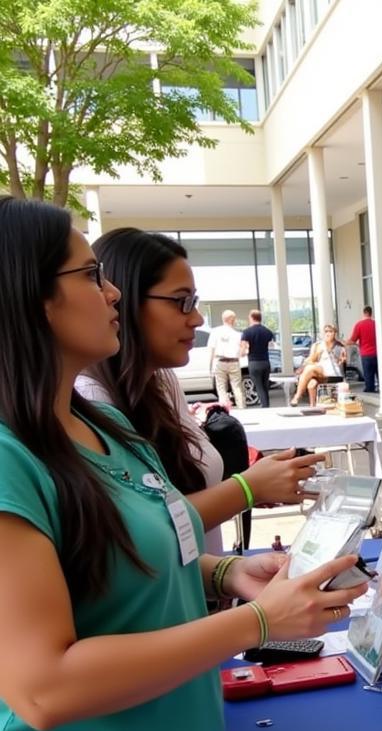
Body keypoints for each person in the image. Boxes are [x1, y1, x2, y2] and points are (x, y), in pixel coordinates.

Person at [0, 196, 367, 731]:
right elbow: (42, 685)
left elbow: (145, 561)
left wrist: (229, 573)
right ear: (28, 294)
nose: (111, 294)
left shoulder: (99, 429)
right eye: (90, 274)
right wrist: (260, 622)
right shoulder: (9, 458)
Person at [78, 228, 324, 557]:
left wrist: (258, 484)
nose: (195, 319)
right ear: (124, 301)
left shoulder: (160, 381)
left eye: (194, 301)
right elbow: (140, 533)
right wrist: (247, 489)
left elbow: (183, 502)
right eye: (182, 302)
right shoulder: (90, 400)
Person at [291, 324, 346, 406]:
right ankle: (313, 407)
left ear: (335, 333)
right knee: (311, 383)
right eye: (326, 332)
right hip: (320, 371)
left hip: (333, 373)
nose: (328, 334)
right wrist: (318, 352)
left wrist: (333, 353)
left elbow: (341, 363)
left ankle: (297, 396)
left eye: (330, 331)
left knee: (310, 368)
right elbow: (311, 360)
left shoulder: (339, 346)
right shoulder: (317, 345)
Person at [207, 309, 246, 409]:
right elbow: (243, 351)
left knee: (221, 388)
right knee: (237, 387)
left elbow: (211, 350)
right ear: (232, 320)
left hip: (220, 362)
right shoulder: (238, 334)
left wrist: (210, 367)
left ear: (223, 319)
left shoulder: (215, 332)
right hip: (234, 362)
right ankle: (242, 408)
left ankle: (225, 409)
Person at [241, 308, 274, 408]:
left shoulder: (247, 332)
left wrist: (242, 353)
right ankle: (266, 404)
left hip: (254, 362)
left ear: (251, 318)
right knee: (265, 385)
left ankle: (265, 406)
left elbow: (244, 348)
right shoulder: (268, 332)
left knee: (259, 386)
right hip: (265, 361)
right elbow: (271, 346)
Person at [347, 305, 378, 393]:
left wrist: (347, 343)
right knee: (379, 373)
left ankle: (370, 389)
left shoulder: (359, 325)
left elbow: (352, 339)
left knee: (368, 374)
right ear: (371, 313)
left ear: (364, 313)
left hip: (366, 354)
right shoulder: (376, 324)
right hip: (377, 353)